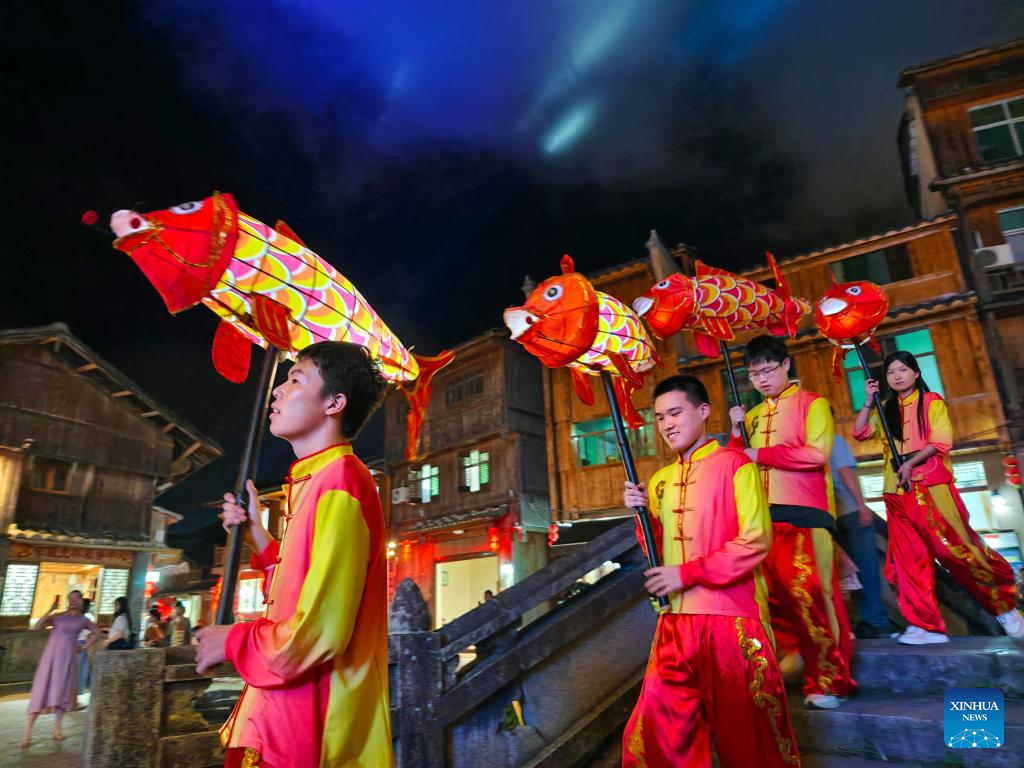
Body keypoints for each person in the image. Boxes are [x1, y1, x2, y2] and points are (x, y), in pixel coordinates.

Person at [196, 341, 393, 768]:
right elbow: (297, 588)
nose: (279, 391)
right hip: (279, 716)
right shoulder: (316, 479)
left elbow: (319, 629)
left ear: (334, 403)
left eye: (296, 379)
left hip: (310, 727)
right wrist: (256, 531)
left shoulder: (342, 482)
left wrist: (233, 640)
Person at [621, 375, 800, 767]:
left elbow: (755, 540)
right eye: (659, 417)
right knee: (658, 736)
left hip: (733, 621)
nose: (667, 424)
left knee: (750, 740)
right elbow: (658, 549)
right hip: (675, 623)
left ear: (703, 411)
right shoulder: (660, 481)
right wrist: (642, 514)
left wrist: (687, 574)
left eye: (675, 413)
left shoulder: (736, 465)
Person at [853, 351, 1023, 643]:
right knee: (909, 561)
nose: (897, 376)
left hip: (929, 485)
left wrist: (910, 463)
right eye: (891, 372)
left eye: (903, 370)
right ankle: (926, 626)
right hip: (895, 491)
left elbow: (941, 441)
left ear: (916, 373)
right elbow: (859, 432)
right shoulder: (885, 408)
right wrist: (869, 401)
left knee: (953, 550)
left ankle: (1004, 606)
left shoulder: (931, 401)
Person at [729, 335, 855, 709]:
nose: (762, 379)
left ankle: (830, 680)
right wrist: (736, 432)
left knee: (813, 594)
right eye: (755, 374)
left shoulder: (812, 403)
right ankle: (798, 655)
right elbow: (738, 465)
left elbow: (816, 454)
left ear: (786, 365)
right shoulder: (751, 416)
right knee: (768, 597)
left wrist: (760, 453)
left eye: (768, 370)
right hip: (763, 519)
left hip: (806, 515)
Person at [830, 430, 894, 638]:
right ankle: (875, 621)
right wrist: (862, 505)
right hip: (850, 511)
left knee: (842, 572)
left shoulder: (807, 443)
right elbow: (844, 472)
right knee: (867, 568)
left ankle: (846, 624)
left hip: (829, 515)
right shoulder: (834, 440)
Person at [23, 589, 98, 747]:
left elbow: (96, 632)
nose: (73, 601)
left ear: (81, 601)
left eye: (76, 598)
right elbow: (38, 626)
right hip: (51, 658)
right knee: (41, 691)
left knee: (62, 693)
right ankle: (27, 733)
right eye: (70, 598)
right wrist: (49, 610)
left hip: (68, 660)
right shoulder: (58, 616)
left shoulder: (83, 620)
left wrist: (85, 646)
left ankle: (57, 730)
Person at [77, 597, 96, 698]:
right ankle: (77, 694)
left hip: (79, 644)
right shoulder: (88, 618)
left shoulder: (81, 618)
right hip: (82, 644)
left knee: (77, 671)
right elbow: (93, 634)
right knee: (80, 671)